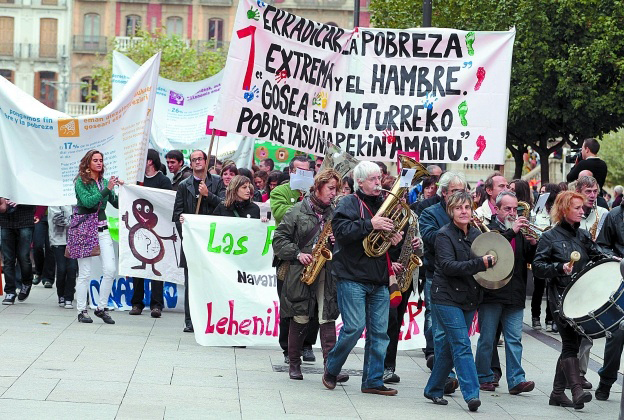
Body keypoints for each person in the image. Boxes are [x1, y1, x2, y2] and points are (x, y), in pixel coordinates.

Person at [322, 161, 403, 396]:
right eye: (373, 179)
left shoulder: (385, 204)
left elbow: (384, 246)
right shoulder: (348, 202)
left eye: (379, 178)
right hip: (352, 276)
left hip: (378, 278)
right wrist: (370, 224)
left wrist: (394, 239)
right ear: (359, 182)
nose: (379, 183)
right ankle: (332, 367)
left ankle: (372, 380)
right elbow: (342, 233)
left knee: (379, 332)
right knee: (354, 328)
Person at [273, 169, 348, 382]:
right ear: (318, 187)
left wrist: (337, 242)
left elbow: (345, 246)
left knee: (327, 315)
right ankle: (294, 364)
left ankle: (330, 368)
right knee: (300, 314)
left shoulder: (335, 214)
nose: (334, 193)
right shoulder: (296, 211)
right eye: (330, 188)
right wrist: (298, 253)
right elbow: (279, 241)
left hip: (327, 270)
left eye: (336, 189)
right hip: (301, 270)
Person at [533, 190, 605, 410]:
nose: (582, 211)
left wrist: (612, 261)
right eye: (577, 208)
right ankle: (576, 390)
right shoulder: (549, 237)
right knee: (569, 344)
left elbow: (597, 255)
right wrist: (559, 268)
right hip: (560, 299)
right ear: (564, 210)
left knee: (571, 344)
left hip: (580, 298)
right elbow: (537, 267)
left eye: (582, 208)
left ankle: (556, 393)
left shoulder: (582, 235)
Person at [423, 191, 493, 412]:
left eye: (467, 207)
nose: (463, 211)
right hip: (445, 297)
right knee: (462, 344)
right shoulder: (444, 235)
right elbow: (448, 266)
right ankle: (472, 394)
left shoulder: (475, 234)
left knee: (447, 347)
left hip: (468, 297)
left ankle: (433, 389)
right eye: (458, 208)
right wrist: (480, 263)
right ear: (450, 211)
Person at [475, 191, 536, 395]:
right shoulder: (488, 228)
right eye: (507, 209)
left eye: (515, 209)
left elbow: (529, 260)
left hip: (515, 292)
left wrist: (534, 244)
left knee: (514, 339)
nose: (512, 213)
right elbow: (495, 248)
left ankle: (516, 379)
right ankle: (483, 376)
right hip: (492, 292)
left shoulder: (520, 232)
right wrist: (513, 232)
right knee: (488, 338)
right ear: (497, 209)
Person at [419, 171, 466, 384]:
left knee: (458, 331)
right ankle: (445, 375)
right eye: (455, 191)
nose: (460, 196)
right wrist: (455, 228)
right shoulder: (430, 213)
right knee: (439, 330)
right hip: (436, 276)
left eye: (462, 191)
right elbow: (429, 238)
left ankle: (447, 370)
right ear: (444, 193)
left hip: (463, 277)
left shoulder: (467, 213)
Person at [270, 155, 319, 363]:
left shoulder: (316, 192)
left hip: (314, 258)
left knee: (314, 304)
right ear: (291, 172)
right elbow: (282, 214)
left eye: (307, 172)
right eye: (300, 171)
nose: (304, 175)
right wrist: (304, 202)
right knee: (289, 303)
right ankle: (288, 348)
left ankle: (307, 345)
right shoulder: (280, 191)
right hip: (289, 259)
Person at [173, 149, 226, 332]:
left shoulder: (217, 182)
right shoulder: (184, 185)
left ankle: (211, 319)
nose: (196, 162)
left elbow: (225, 206)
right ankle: (191, 320)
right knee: (192, 283)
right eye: (193, 159)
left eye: (199, 159)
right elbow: (177, 214)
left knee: (212, 281)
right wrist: (186, 236)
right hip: (192, 243)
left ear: (206, 161)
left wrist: (208, 195)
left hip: (212, 241)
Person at [74, 149, 124, 324]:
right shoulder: (81, 182)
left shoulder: (103, 182)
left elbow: (116, 204)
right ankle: (81, 310)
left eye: (101, 160)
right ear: (88, 163)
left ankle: (101, 307)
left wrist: (123, 190)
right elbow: (88, 202)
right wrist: (107, 190)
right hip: (85, 229)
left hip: (102, 228)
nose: (99, 163)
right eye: (95, 160)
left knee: (110, 269)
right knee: (85, 272)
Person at [128, 149, 173, 319]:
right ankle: (137, 303)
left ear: (150, 161)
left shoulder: (163, 180)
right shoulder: (137, 180)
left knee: (156, 267)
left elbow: (167, 202)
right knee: (138, 267)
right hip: (138, 231)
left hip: (157, 229)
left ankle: (156, 305)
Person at [384, 209, 423, 384]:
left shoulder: (412, 216)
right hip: (385, 275)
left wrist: (418, 244)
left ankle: (390, 366)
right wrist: (390, 265)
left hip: (405, 275)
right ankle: (381, 366)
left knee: (396, 323)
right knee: (388, 322)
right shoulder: (383, 212)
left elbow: (421, 250)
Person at [595, 196, 624, 401]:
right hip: (620, 279)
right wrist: (616, 259)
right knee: (616, 334)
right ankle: (606, 381)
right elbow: (601, 246)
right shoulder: (614, 215)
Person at [531, 183, 562, 332]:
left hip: (554, 252)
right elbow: (533, 224)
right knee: (538, 286)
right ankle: (535, 317)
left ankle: (550, 319)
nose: (541, 194)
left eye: (545, 192)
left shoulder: (558, 210)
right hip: (540, 249)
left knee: (552, 287)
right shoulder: (538, 209)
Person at [0, 198, 36, 304]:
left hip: (25, 219)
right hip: (6, 221)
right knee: (8, 259)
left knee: (23, 256)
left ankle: (26, 282)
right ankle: (10, 291)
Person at [48, 206, 76, 309]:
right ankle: (61, 295)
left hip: (74, 239)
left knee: (72, 268)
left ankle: (69, 297)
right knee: (61, 268)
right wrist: (76, 221)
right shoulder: (55, 199)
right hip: (58, 239)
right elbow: (57, 219)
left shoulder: (77, 195)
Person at [32, 206, 55, 288]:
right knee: (37, 245)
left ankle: (48, 278)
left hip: (55, 215)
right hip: (40, 215)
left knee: (50, 247)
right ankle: (38, 272)